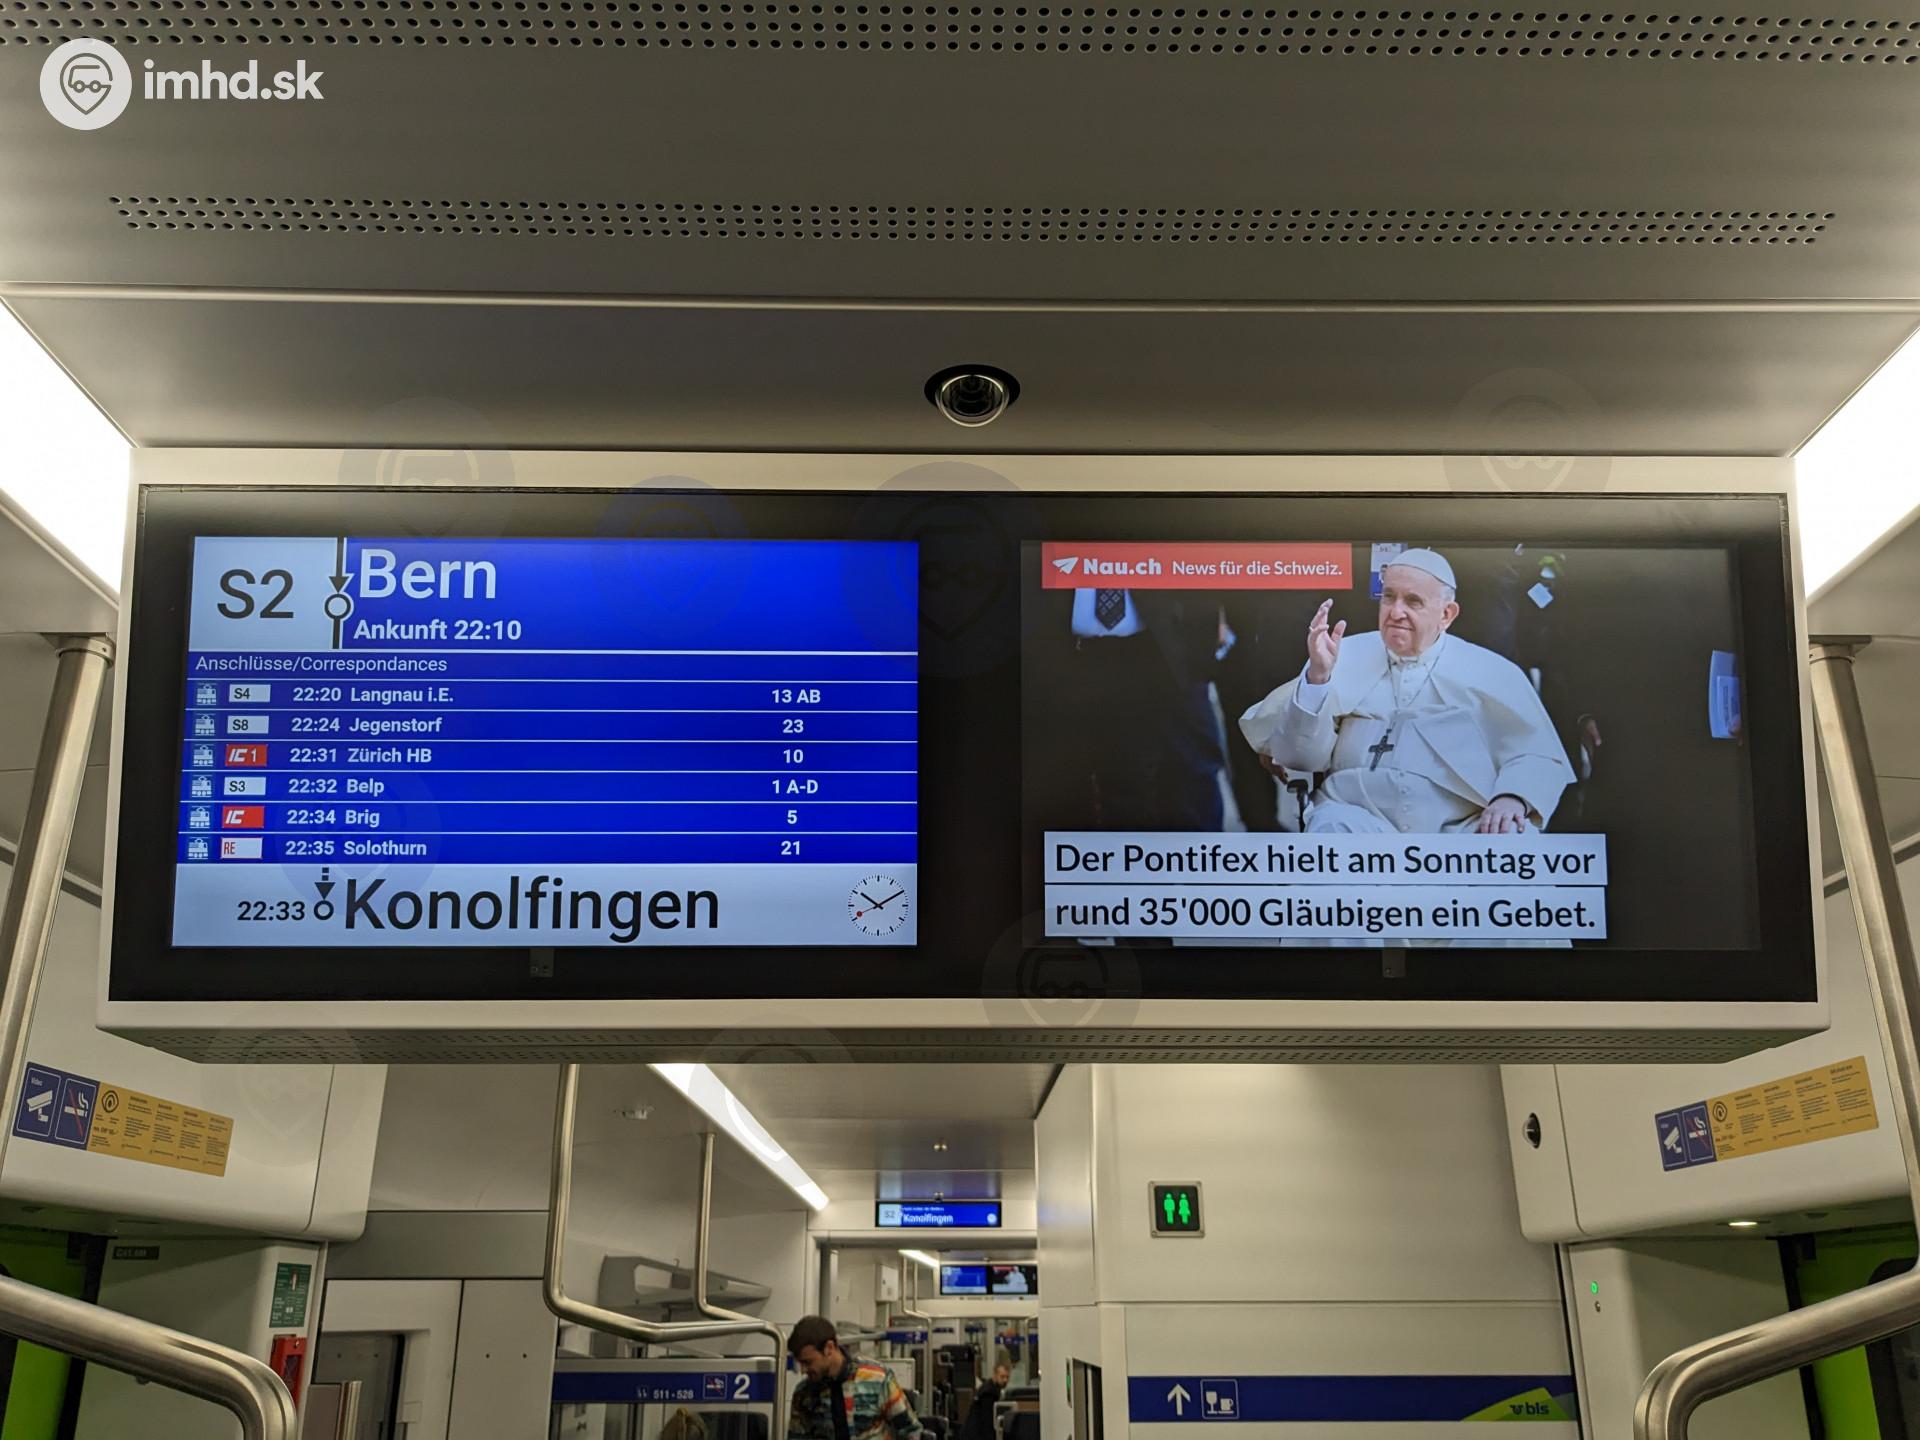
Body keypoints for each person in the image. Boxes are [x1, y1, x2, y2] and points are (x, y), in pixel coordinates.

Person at [1237, 548, 1573, 835]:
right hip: (1355, 820)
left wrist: (1513, 797)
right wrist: (1319, 678)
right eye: (1389, 597)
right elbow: (1300, 758)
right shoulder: (1343, 655)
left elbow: (1536, 752)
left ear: (1446, 614)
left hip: (1459, 829)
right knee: (1330, 830)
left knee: (1512, 836)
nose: (1396, 612)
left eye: (1413, 601)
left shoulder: (1491, 671)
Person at [787, 1315, 926, 1440]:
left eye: (807, 1362)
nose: (803, 1370)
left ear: (829, 1348)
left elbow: (911, 1430)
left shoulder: (877, 1379)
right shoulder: (804, 1393)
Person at [958, 1364, 1011, 1440]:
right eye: (1002, 1376)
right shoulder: (988, 1392)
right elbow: (987, 1420)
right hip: (975, 1434)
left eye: (1007, 1377)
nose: (1005, 1380)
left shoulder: (991, 1387)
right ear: (995, 1375)